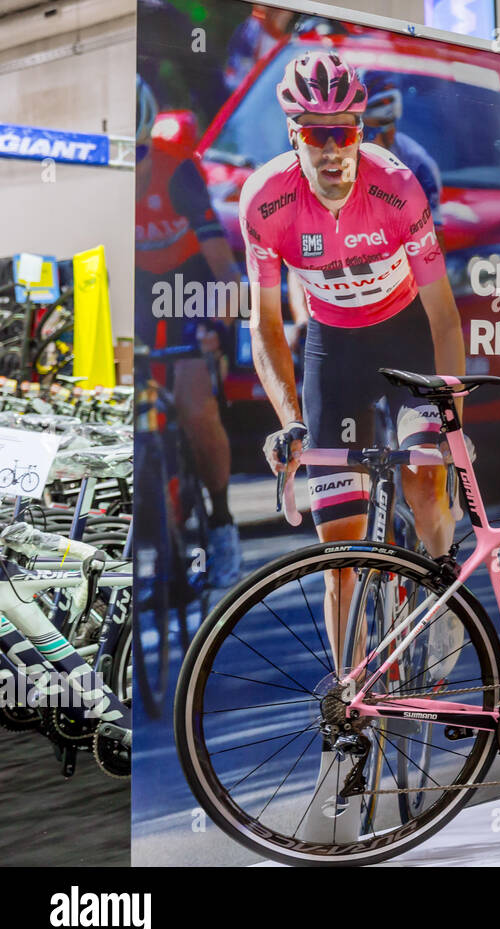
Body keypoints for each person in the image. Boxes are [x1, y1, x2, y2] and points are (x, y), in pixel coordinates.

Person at [240, 50, 465, 644]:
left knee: (423, 479)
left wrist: (452, 419)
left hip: (405, 336)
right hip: (333, 351)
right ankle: (347, 709)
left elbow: (443, 317)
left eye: (344, 131)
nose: (333, 149)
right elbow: (264, 326)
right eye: (318, 134)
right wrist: (291, 423)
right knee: (338, 551)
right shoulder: (265, 202)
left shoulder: (395, 186)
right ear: (296, 135)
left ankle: (442, 607)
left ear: (360, 130)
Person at [133, 75, 245, 588]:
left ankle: (221, 519)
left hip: (192, 284)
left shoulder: (176, 171)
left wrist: (221, 322)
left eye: (135, 157)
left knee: (194, 399)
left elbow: (223, 263)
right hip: (138, 289)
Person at [361, 85, 444, 228]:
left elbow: (434, 239)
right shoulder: (345, 149)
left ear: (391, 129)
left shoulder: (420, 166)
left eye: (370, 132)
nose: (361, 139)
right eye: (362, 130)